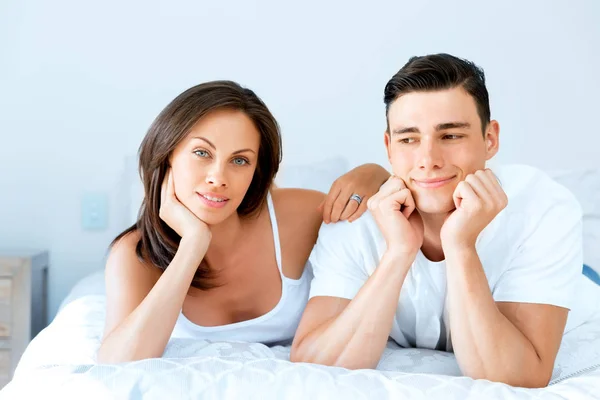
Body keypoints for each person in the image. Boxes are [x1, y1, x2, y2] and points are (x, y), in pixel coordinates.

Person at [291, 53, 596, 388]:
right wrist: (398, 253)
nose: (428, 160)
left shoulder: (543, 208)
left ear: (490, 139)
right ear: (389, 146)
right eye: (409, 139)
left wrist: (461, 246)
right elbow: (315, 364)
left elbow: (519, 377)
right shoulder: (356, 215)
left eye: (450, 136)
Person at [97, 80, 390, 363]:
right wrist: (193, 246)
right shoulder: (136, 253)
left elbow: (383, 209)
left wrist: (375, 173)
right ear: (167, 155)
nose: (217, 178)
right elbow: (118, 361)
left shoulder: (298, 213)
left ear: (256, 171)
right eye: (202, 153)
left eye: (239, 161)